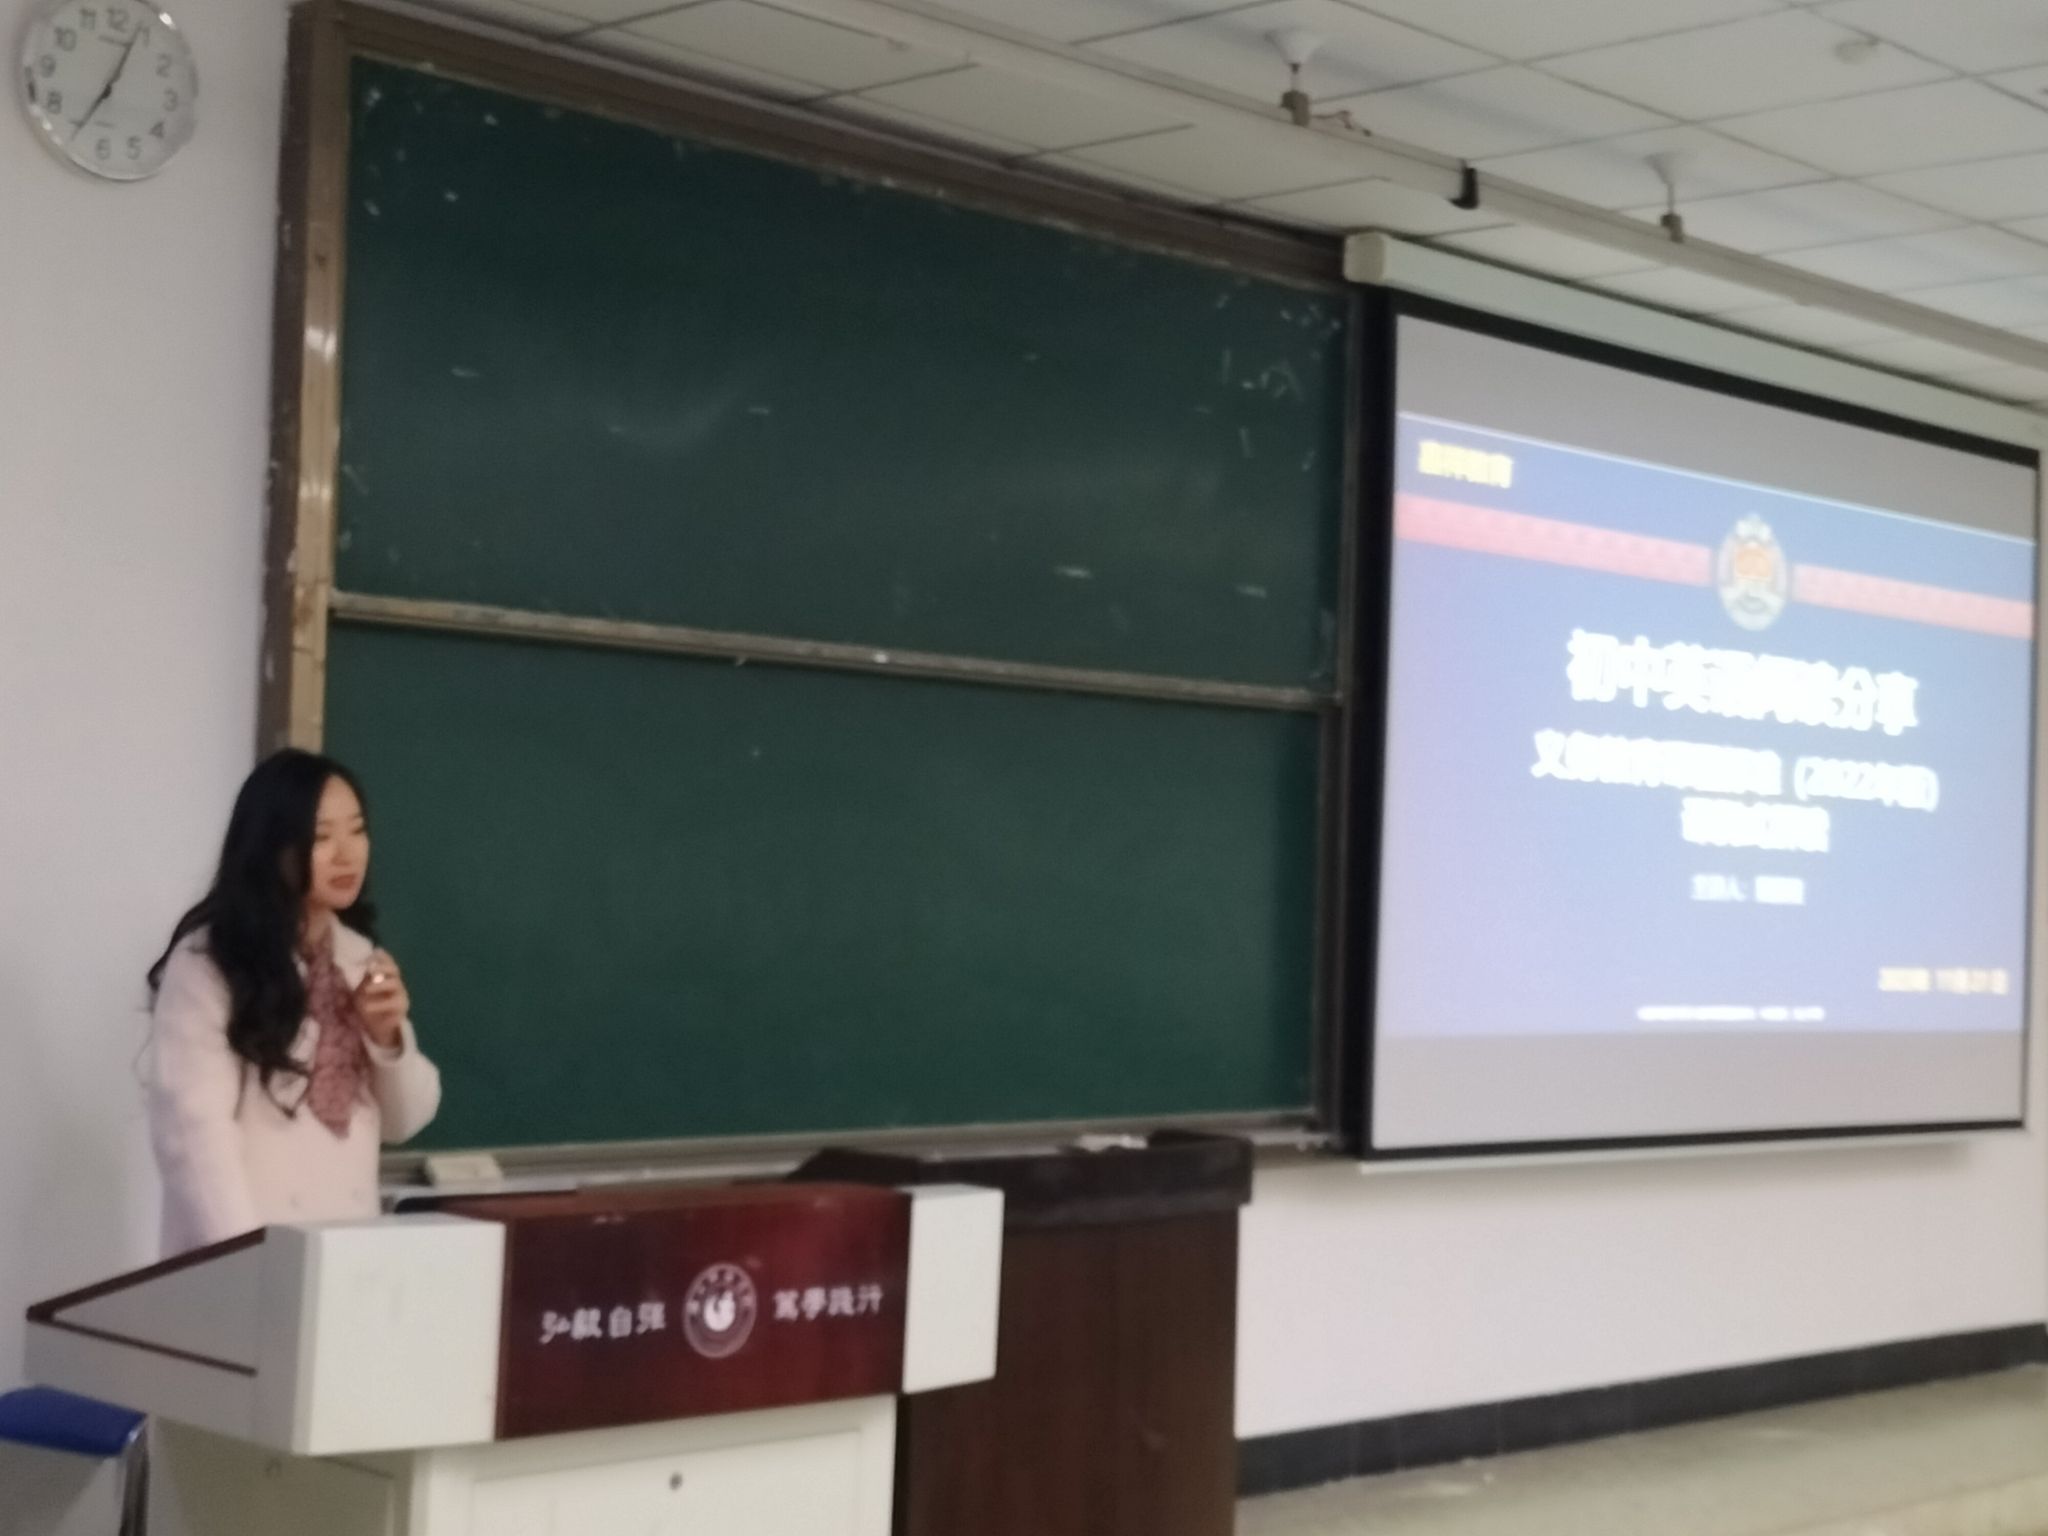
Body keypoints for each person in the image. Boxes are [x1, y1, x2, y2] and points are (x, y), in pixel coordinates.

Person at [145, 749, 441, 1256]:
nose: (347, 854)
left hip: (346, 1253)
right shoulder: (210, 962)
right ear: (271, 846)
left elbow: (404, 1121)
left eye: (357, 830)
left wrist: (389, 1038)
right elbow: (195, 1136)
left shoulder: (359, 956)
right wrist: (249, 1258)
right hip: (245, 1257)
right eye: (321, 837)